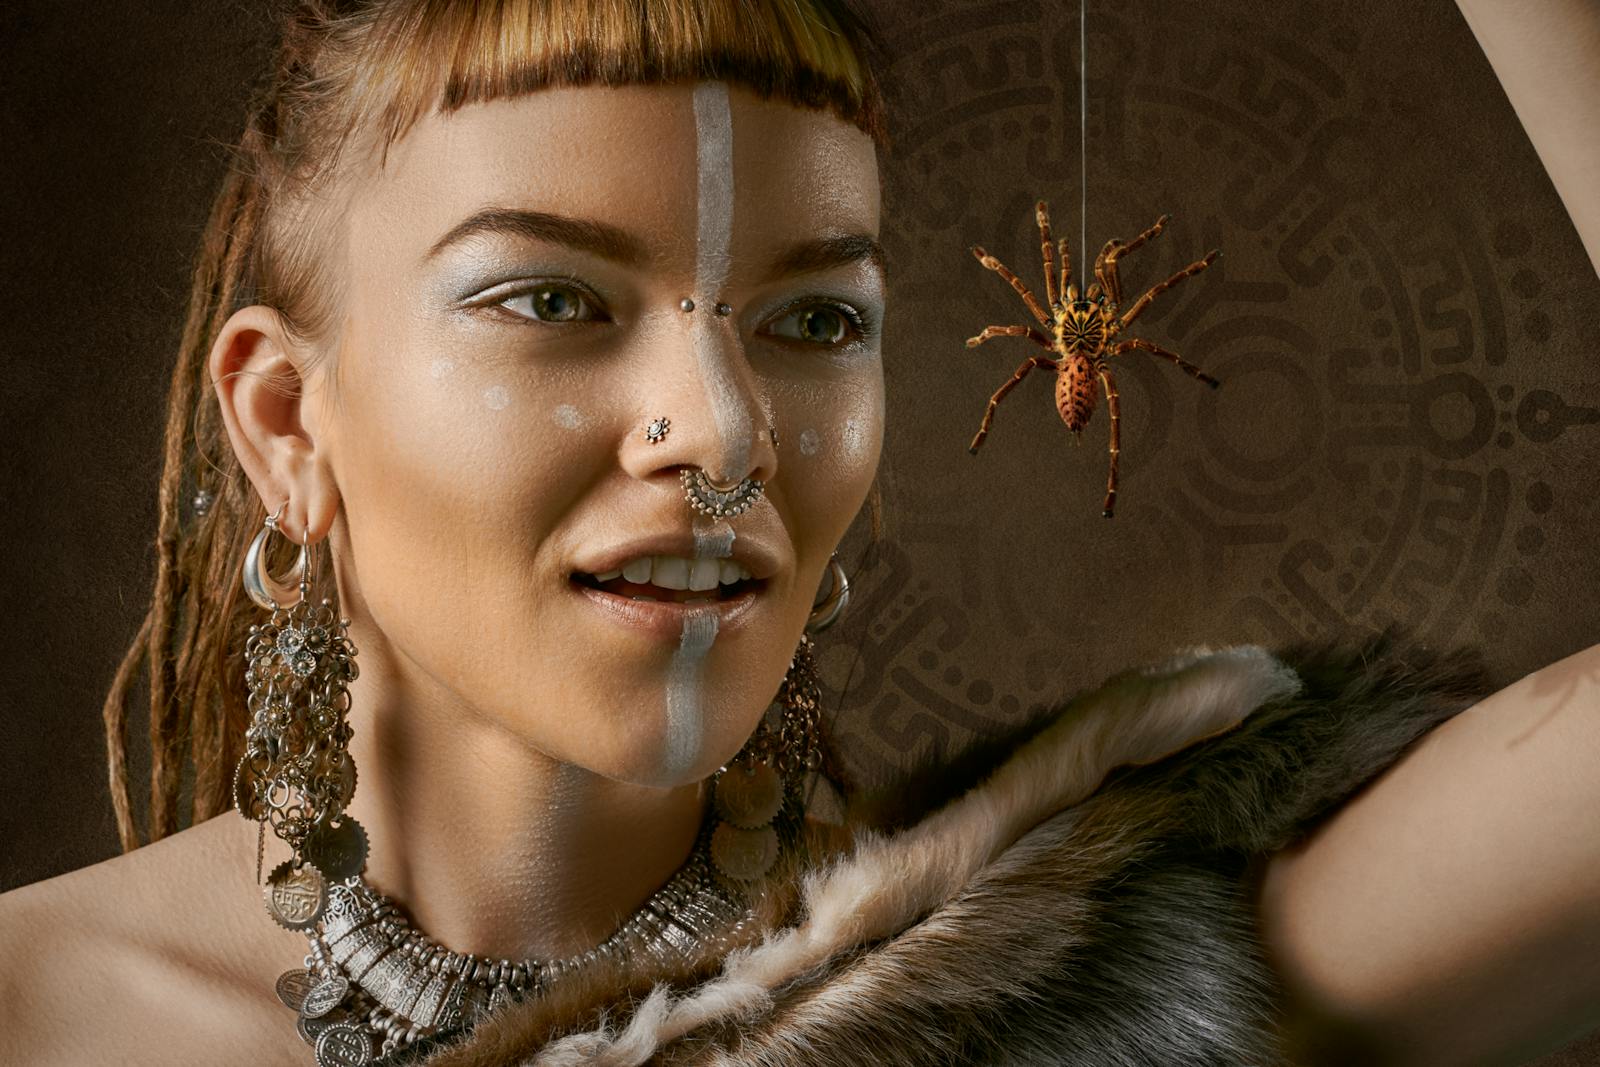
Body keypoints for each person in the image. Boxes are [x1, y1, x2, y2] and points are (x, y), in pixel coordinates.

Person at [0, 1, 1596, 1065]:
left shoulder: (1063, 960)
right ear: (285, 421)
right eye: (551, 299)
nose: (725, 429)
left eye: (816, 319)